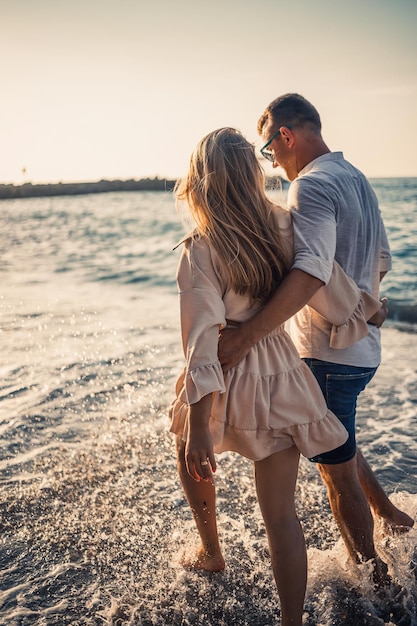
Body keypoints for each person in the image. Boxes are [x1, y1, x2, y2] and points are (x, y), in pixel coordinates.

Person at [168, 127, 387, 626]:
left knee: (186, 443)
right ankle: (293, 621)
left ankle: (210, 549)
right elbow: (328, 286)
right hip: (281, 375)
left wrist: (200, 426)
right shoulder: (286, 226)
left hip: (224, 374)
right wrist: (368, 311)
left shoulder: (200, 248)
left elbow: (202, 341)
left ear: (200, 183)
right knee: (281, 516)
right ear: (252, 175)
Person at [217, 94, 414, 587]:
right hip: (359, 349)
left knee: (336, 473)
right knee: (338, 438)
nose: (272, 163)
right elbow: (379, 261)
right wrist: (368, 312)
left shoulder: (310, 185)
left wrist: (245, 338)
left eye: (269, 150)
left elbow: (310, 271)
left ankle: (377, 586)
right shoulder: (356, 179)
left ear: (285, 135)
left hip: (329, 353)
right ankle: (391, 514)